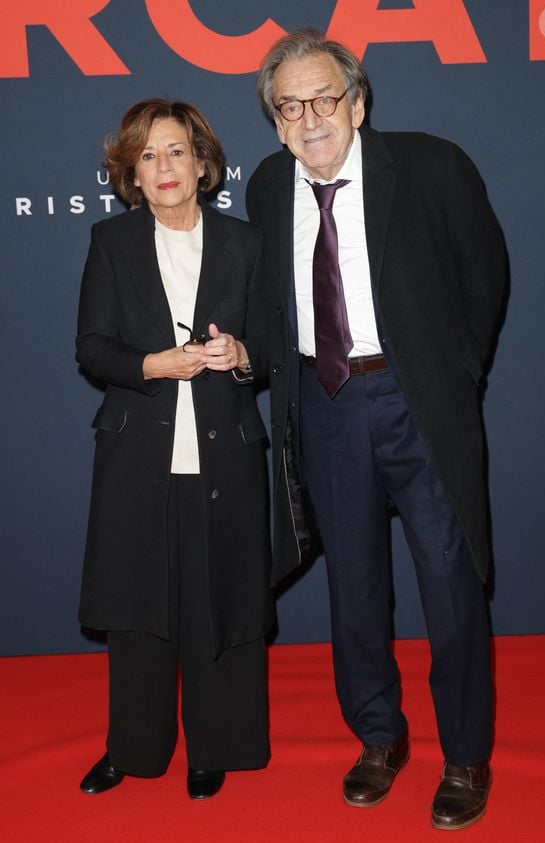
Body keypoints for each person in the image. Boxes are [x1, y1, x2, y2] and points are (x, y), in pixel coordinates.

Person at [246, 29, 505, 830]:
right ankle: (379, 736)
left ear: (357, 103)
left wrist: (452, 376)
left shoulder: (431, 167)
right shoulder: (267, 187)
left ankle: (465, 753)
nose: (310, 119)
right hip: (324, 405)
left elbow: (485, 276)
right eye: (290, 106)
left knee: (449, 584)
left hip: (414, 401)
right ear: (276, 122)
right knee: (353, 589)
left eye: (324, 98)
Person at [77, 99, 273, 800]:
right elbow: (92, 347)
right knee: (139, 607)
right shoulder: (111, 241)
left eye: (176, 151)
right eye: (148, 155)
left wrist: (241, 354)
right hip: (139, 456)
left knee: (221, 601)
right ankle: (132, 746)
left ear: (202, 163)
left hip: (225, 454)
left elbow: (273, 348)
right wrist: (152, 365)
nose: (164, 166)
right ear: (132, 173)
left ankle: (217, 745)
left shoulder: (245, 243)